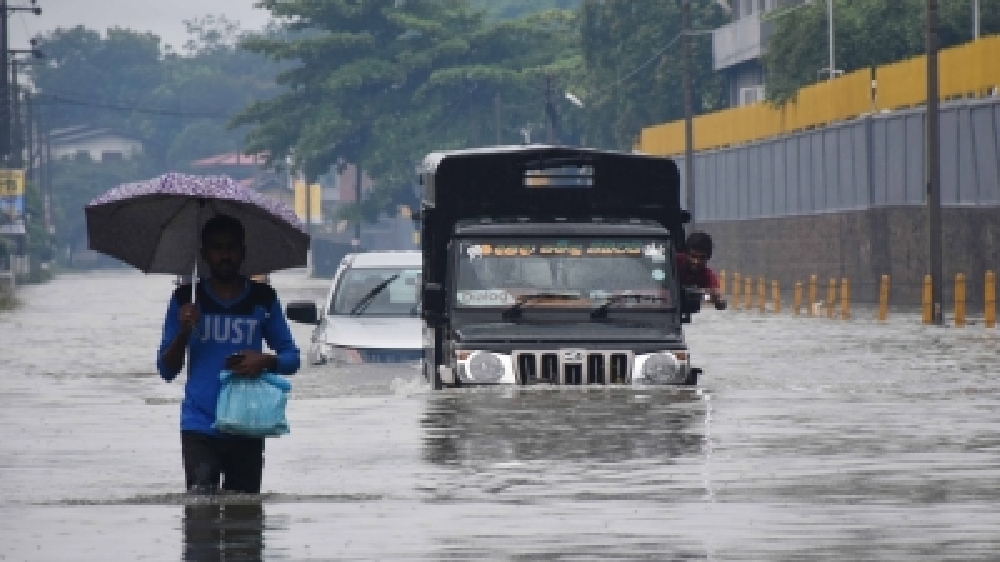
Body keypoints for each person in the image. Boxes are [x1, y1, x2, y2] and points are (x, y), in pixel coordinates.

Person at [157, 214, 300, 494]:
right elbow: (166, 370)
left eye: (231, 247)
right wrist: (184, 331)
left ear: (243, 252)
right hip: (199, 426)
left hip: (247, 424)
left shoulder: (263, 298)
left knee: (245, 524)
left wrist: (266, 361)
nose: (225, 255)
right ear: (204, 255)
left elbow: (292, 358)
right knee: (200, 520)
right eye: (217, 248)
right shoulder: (185, 300)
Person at [676, 231, 727, 310]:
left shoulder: (707, 276)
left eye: (702, 258)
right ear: (686, 253)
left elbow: (720, 303)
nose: (697, 261)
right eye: (693, 256)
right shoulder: (673, 261)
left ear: (708, 258)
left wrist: (714, 299)